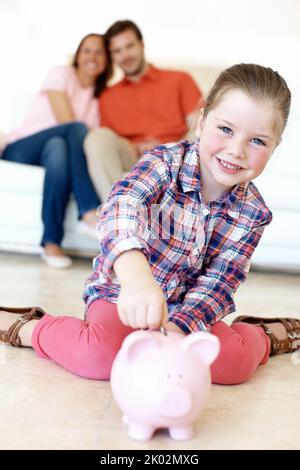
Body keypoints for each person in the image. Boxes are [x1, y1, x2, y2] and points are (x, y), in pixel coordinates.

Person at [1, 63, 300, 386]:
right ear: (202, 122)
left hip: (188, 311)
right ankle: (28, 328)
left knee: (234, 365)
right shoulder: (163, 163)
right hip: (121, 294)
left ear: (274, 147)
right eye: (225, 129)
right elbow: (120, 208)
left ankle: (266, 335)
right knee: (99, 356)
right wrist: (136, 278)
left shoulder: (253, 213)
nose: (236, 150)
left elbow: (219, 281)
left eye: (258, 141)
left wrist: (177, 330)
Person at [1, 33, 112, 268]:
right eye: (87, 50)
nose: (93, 57)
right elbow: (67, 123)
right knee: (72, 131)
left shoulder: (100, 98)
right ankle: (88, 210)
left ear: (107, 60)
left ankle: (51, 243)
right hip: (22, 147)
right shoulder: (60, 74)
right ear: (78, 55)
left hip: (53, 153)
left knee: (59, 149)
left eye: (99, 52)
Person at [84, 20, 203, 202]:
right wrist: (135, 147)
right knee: (97, 138)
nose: (125, 55)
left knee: (201, 133)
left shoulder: (180, 80)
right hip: (132, 156)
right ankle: (121, 212)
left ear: (142, 45)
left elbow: (199, 129)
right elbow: (110, 143)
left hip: (174, 156)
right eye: (117, 51)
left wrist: (169, 149)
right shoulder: (108, 97)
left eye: (129, 46)